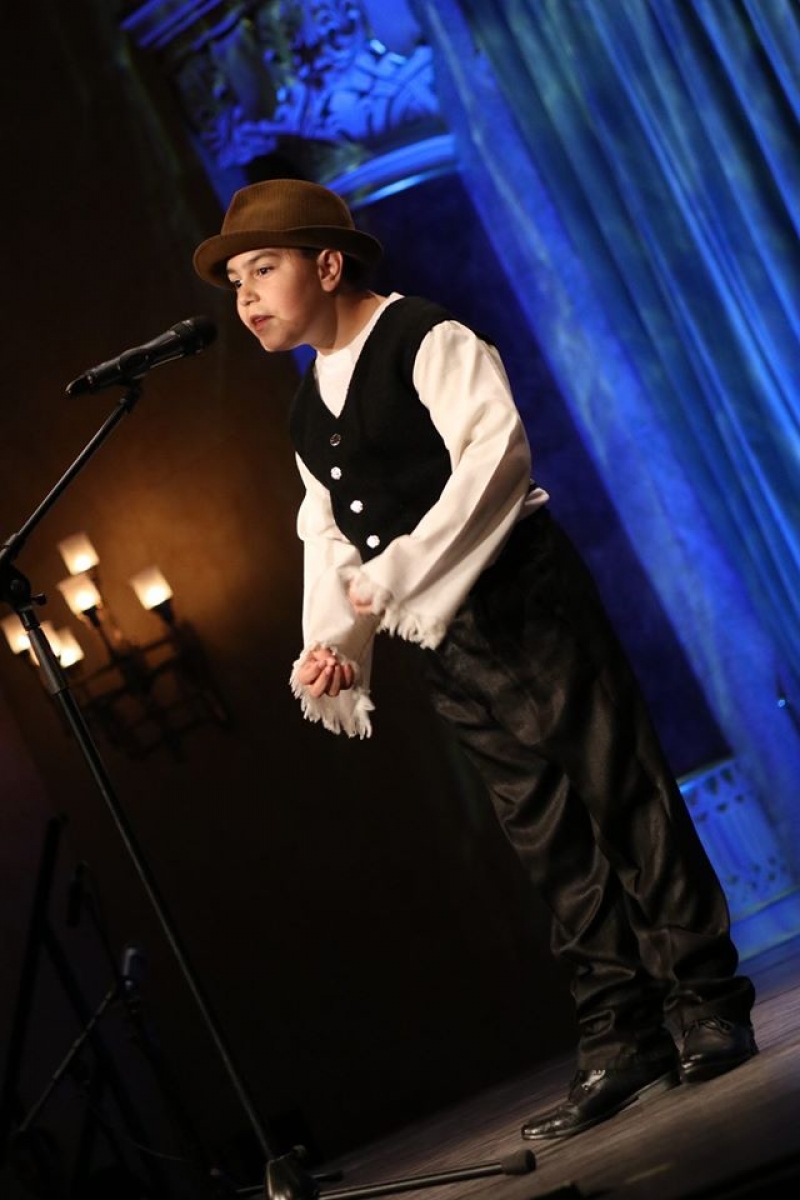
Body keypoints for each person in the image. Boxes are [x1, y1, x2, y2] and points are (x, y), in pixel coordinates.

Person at [192, 178, 758, 1141]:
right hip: (444, 641)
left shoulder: (425, 337)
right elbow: (327, 534)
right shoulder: (306, 411)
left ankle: (706, 999)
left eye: (263, 268)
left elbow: (494, 459)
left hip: (525, 604)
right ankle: (621, 1034)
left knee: (622, 794)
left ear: (327, 266)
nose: (245, 295)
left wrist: (401, 572)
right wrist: (335, 644)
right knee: (545, 835)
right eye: (235, 279)